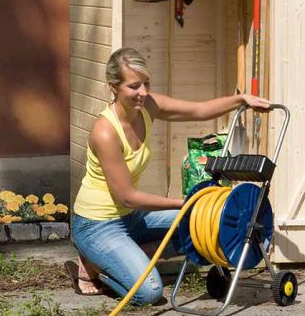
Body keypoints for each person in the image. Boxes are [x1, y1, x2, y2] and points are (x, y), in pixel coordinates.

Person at [64, 47, 270, 305]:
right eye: (134, 86)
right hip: (98, 224)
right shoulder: (106, 132)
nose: (143, 92)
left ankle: (129, 255)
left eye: (146, 84)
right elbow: (128, 197)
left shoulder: (148, 106)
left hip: (132, 219)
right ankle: (92, 265)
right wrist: (183, 203)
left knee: (202, 224)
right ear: (113, 87)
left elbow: (199, 111)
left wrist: (242, 101)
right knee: (148, 293)